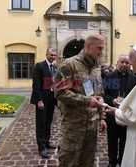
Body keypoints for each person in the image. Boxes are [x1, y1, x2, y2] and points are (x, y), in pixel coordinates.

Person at [54, 34, 107, 167]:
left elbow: (99, 94)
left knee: (87, 162)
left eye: (103, 49)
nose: (101, 52)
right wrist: (86, 100)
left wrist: (102, 117)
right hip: (73, 126)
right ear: (88, 46)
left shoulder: (96, 67)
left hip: (91, 127)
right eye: (99, 48)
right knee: (68, 162)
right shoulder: (69, 65)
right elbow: (60, 92)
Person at [103, 54, 136, 167]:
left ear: (130, 64)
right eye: (122, 62)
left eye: (127, 62)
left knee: (125, 140)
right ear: (117, 63)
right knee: (112, 140)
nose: (124, 64)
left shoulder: (135, 78)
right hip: (112, 114)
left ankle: (123, 160)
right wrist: (112, 100)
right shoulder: (109, 77)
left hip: (127, 115)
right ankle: (112, 161)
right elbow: (104, 94)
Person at [30, 48, 57, 159]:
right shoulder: (39, 66)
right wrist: (39, 100)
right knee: (41, 123)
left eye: (54, 55)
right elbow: (36, 85)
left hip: (51, 98)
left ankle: (46, 142)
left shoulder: (55, 67)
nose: (53, 57)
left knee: (48, 121)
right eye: (51, 54)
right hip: (42, 99)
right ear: (46, 54)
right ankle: (41, 148)